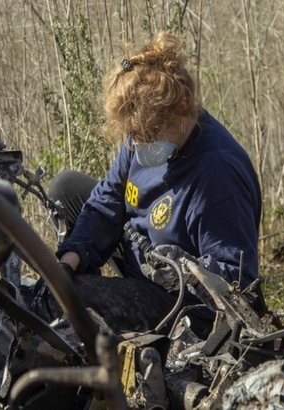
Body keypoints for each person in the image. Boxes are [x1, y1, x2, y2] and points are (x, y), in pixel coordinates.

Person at [42, 31, 264, 337]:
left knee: (73, 300)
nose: (137, 144)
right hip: (141, 253)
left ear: (182, 107)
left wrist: (185, 271)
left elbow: (238, 280)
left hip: (181, 304)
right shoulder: (141, 136)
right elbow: (107, 198)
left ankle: (115, 318)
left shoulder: (216, 172)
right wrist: (71, 258)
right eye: (132, 134)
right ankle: (96, 297)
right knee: (67, 188)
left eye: (148, 134)